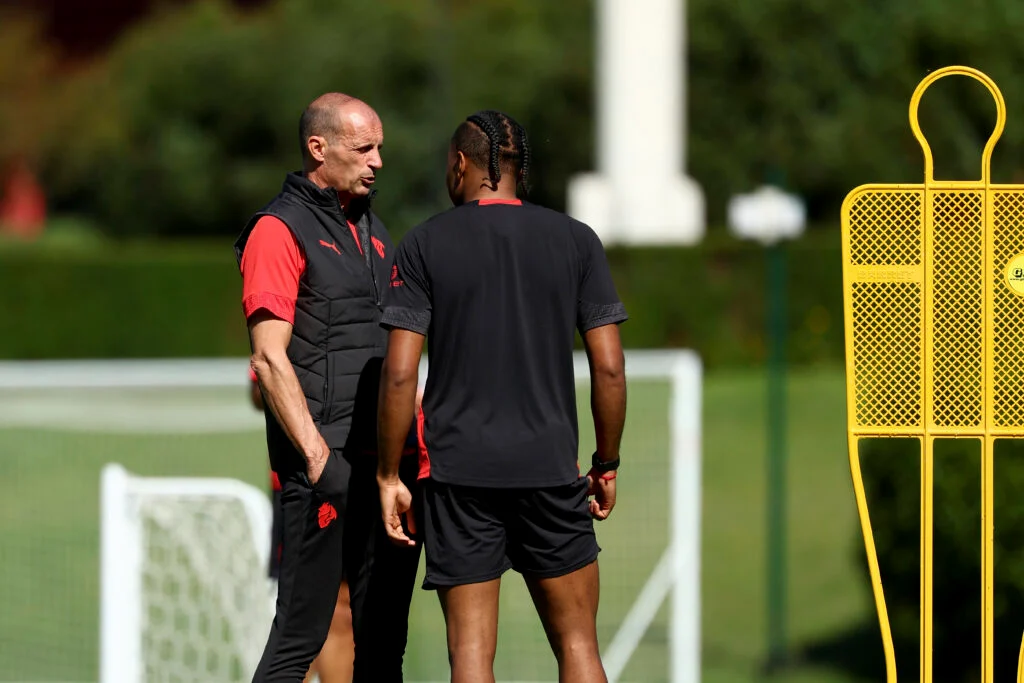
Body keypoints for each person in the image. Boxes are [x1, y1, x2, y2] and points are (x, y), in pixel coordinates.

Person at [376, 110, 628, 683]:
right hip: (550, 469)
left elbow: (398, 376)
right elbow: (609, 369)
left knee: (469, 653)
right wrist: (606, 463)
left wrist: (390, 475)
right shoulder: (576, 240)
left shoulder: (423, 244)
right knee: (578, 646)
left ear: (461, 164)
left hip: (457, 477)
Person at [234, 92, 394, 683]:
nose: (378, 161)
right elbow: (269, 361)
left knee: (380, 643)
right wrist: (319, 459)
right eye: (364, 148)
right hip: (321, 469)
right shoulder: (277, 230)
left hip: (381, 469)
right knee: (298, 641)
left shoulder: (374, 232)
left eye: (381, 147)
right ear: (318, 148)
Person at [249, 369, 351, 683]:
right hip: (301, 483)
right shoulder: (286, 326)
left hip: (351, 471)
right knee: (300, 615)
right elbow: (259, 384)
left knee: (343, 613)